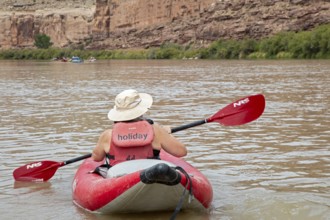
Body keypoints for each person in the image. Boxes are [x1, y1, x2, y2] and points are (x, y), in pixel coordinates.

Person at [92, 89, 187, 166]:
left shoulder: (108, 135)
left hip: (117, 176)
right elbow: (181, 152)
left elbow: (96, 158)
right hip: (151, 174)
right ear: (141, 111)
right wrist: (165, 133)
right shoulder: (155, 130)